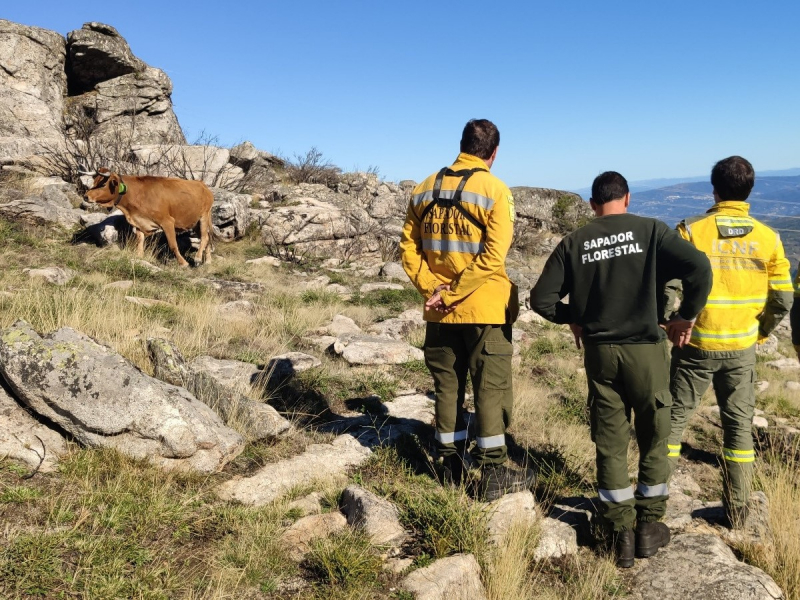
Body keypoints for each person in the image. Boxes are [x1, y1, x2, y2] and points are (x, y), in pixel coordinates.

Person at [530, 171, 712, 567]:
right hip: (646, 351)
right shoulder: (651, 231)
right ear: (626, 199)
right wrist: (685, 316)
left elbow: (541, 300)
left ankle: (620, 532)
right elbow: (699, 267)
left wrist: (574, 318)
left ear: (593, 204)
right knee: (654, 434)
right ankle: (648, 526)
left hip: (600, 353)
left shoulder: (575, 241)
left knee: (610, 440)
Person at [399, 118, 532, 501]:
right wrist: (456, 291)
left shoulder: (423, 189)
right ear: (494, 152)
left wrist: (432, 289)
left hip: (438, 310)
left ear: (461, 144)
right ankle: (491, 472)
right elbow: (493, 257)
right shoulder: (494, 189)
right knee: (490, 387)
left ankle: (449, 465)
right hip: (483, 308)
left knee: (447, 385)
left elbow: (408, 248)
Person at [667, 156, 793, 528]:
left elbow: (667, 285)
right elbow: (784, 298)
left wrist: (672, 323)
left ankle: (653, 504)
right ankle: (737, 512)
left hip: (695, 344)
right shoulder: (768, 238)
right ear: (750, 190)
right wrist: (763, 330)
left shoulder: (691, 231)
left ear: (715, 190)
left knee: (674, 422)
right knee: (738, 429)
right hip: (741, 348)